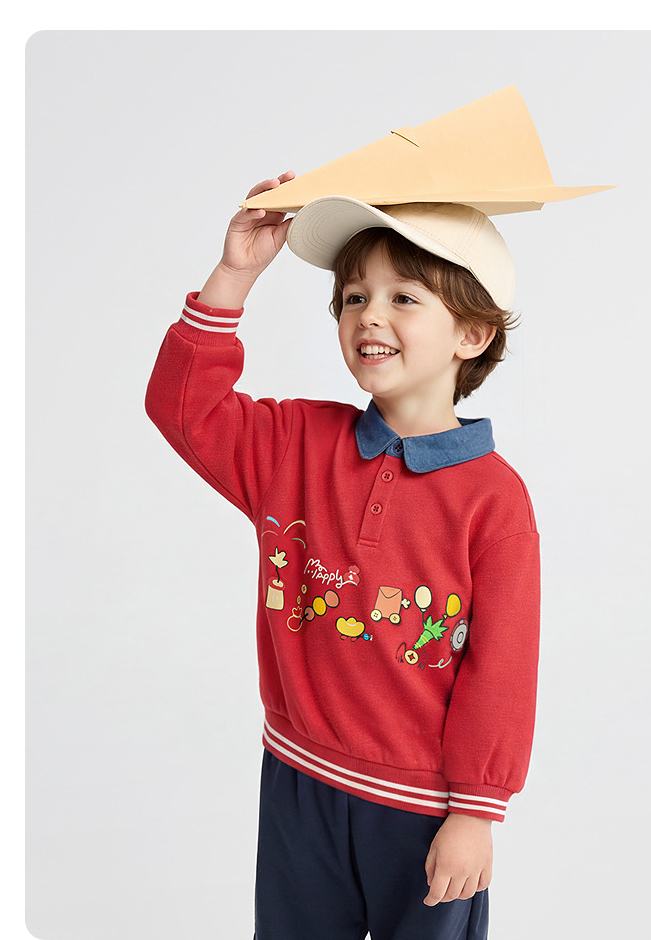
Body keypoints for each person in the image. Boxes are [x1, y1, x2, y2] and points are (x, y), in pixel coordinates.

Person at [145, 171, 541, 940]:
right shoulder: (293, 443)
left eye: (404, 298)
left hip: (423, 807)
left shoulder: (495, 500)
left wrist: (476, 812)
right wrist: (234, 275)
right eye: (354, 296)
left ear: (472, 334)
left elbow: (502, 666)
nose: (370, 315)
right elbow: (183, 409)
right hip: (299, 779)